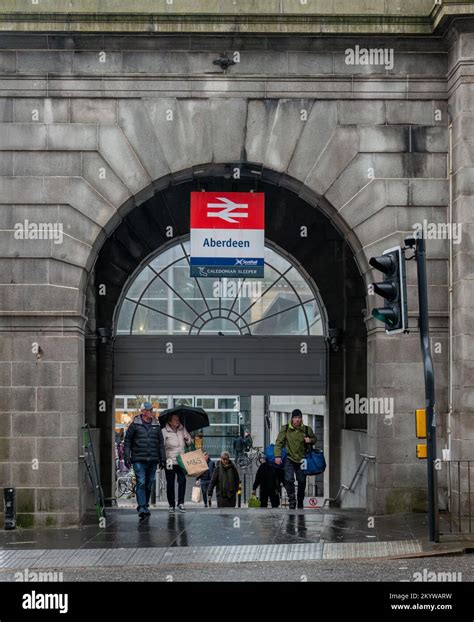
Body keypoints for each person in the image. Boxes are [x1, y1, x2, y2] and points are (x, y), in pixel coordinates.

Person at [124, 402, 166, 523]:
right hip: (138, 459)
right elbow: (127, 442)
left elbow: (160, 444)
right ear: (143, 411)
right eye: (149, 410)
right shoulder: (135, 425)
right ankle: (141, 507)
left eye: (152, 410)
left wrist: (162, 459)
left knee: (149, 484)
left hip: (152, 460)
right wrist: (127, 457)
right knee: (141, 482)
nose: (151, 412)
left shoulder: (156, 426)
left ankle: (145, 505)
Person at [274, 409, 316, 510]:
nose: (297, 420)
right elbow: (279, 442)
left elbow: (314, 439)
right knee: (288, 480)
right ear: (292, 418)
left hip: (302, 459)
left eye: (299, 418)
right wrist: (277, 456)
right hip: (289, 458)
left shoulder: (306, 429)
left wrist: (310, 440)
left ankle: (300, 501)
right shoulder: (285, 429)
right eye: (295, 418)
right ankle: (292, 501)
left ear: (301, 418)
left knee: (302, 481)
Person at [161, 412, 193, 513]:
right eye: (175, 419)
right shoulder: (164, 431)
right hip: (170, 460)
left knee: (182, 481)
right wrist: (163, 459)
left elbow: (190, 442)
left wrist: (187, 438)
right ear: (170, 422)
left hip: (181, 460)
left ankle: (181, 503)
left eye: (178, 419)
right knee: (170, 483)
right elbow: (161, 446)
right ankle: (171, 504)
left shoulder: (182, 429)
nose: (178, 421)